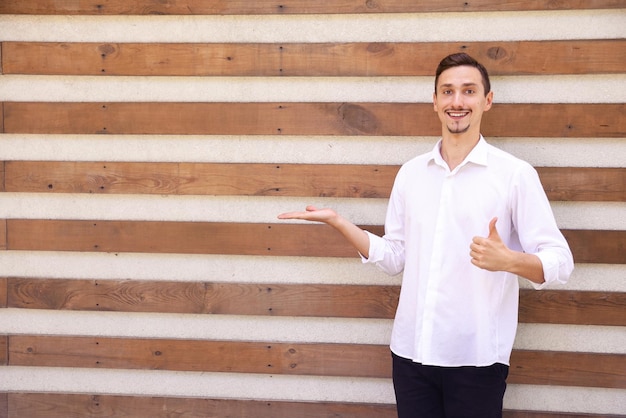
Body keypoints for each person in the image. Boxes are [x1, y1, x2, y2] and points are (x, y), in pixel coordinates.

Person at [278, 53, 574, 418]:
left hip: (477, 358)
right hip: (411, 354)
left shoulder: (515, 175)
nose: (457, 101)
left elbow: (561, 261)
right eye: (447, 91)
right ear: (434, 101)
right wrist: (340, 223)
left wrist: (510, 260)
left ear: (487, 100)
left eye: (468, 91)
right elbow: (396, 257)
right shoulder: (411, 174)